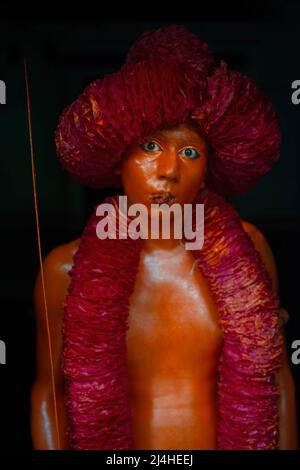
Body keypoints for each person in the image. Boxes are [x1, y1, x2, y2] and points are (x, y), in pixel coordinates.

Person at [31, 25, 298, 450]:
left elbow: (276, 379)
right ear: (118, 160)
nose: (169, 168)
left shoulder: (248, 250)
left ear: (208, 168)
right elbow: (49, 393)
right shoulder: (64, 269)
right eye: (150, 147)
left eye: (189, 152)